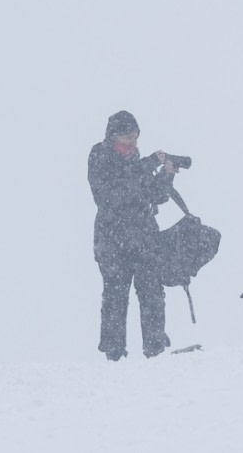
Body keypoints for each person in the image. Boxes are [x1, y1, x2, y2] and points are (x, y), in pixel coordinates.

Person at [87, 110, 177, 360]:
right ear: (113, 135)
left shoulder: (137, 161)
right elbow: (108, 195)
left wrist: (166, 174)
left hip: (144, 237)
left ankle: (155, 350)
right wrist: (147, 165)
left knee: (152, 293)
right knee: (115, 296)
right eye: (128, 136)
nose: (132, 142)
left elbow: (155, 196)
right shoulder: (100, 155)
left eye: (135, 137)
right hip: (113, 240)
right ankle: (114, 355)